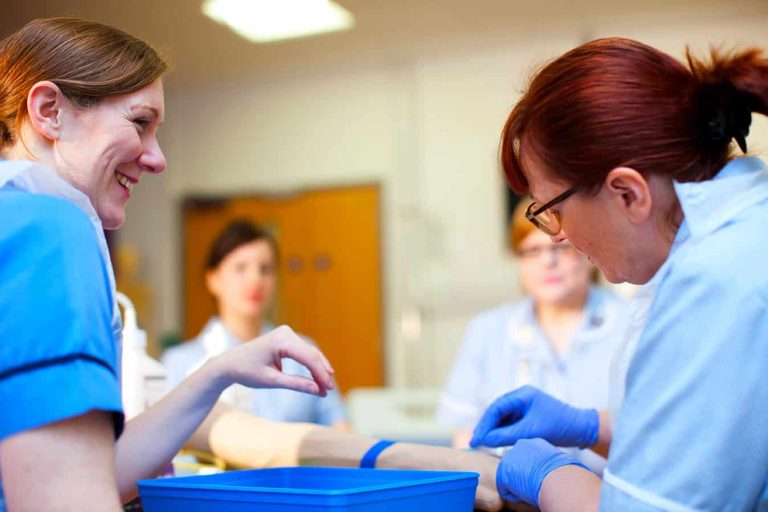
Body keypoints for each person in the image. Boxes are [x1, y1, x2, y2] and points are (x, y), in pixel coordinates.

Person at [0, 17, 504, 512]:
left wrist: (218, 372)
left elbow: (86, 468)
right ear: (49, 111)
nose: (157, 159)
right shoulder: (48, 228)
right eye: (139, 123)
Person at [469, 38, 768, 511]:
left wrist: (549, 476)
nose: (559, 238)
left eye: (551, 211)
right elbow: (710, 441)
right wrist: (591, 426)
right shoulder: (738, 239)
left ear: (627, 193)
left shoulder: (715, 281)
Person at [437, 197, 629, 473]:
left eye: (560, 248)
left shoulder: (632, 322)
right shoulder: (487, 330)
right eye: (532, 250)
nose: (548, 262)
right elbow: (465, 441)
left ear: (587, 249)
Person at [163, 220, 348, 428]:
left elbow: (341, 428)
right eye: (240, 268)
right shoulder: (180, 363)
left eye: (265, 269)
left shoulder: (303, 355)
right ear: (213, 279)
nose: (255, 279)